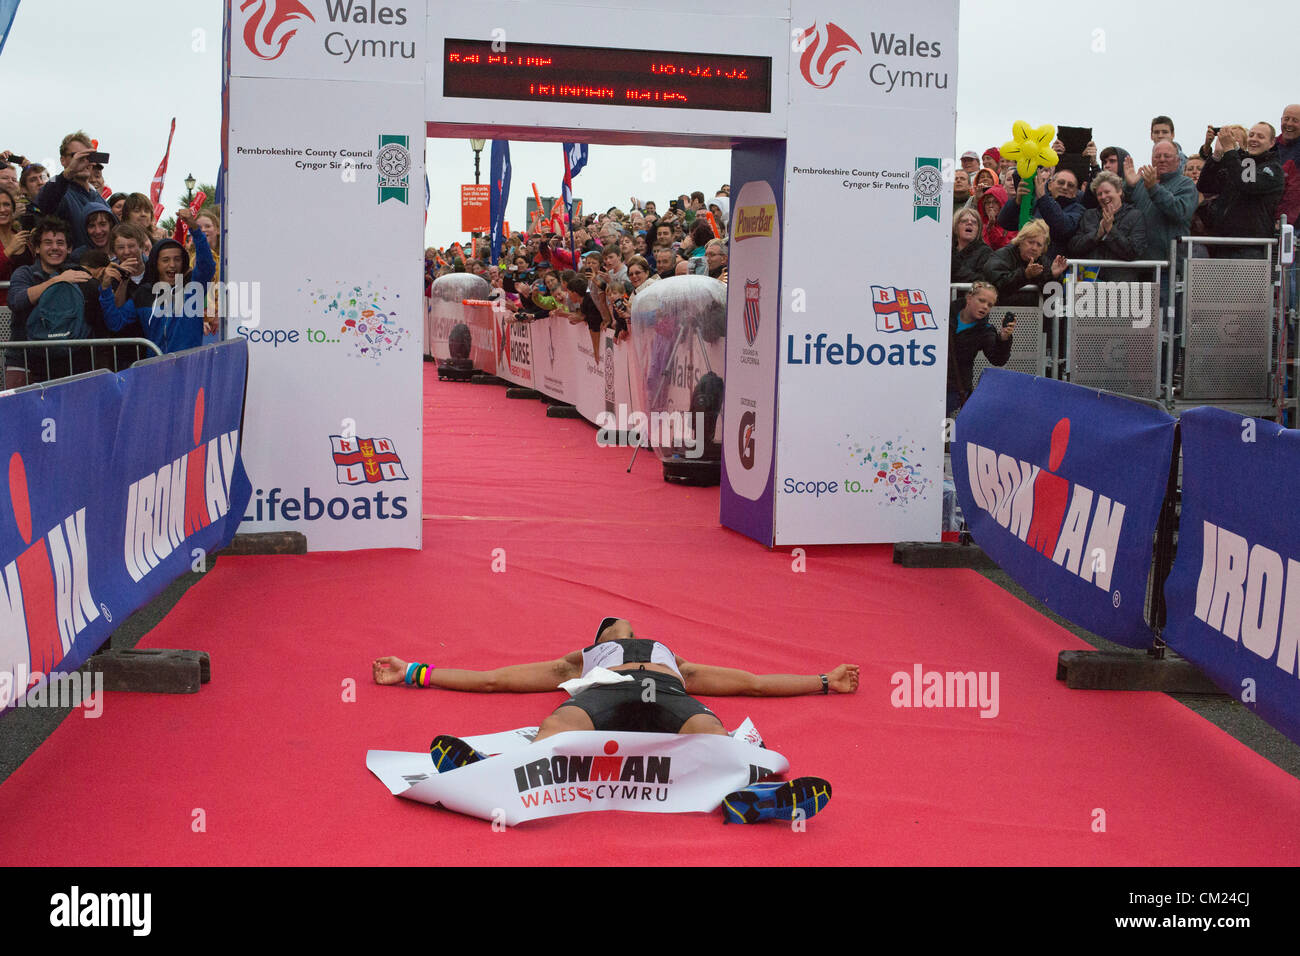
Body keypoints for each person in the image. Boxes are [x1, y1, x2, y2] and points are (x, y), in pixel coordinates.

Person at [372, 617, 857, 824]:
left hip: (667, 694)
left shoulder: (675, 660)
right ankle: (479, 773)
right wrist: (417, 671)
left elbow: (751, 682)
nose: (619, 622)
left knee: (714, 739)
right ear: (600, 636)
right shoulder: (583, 660)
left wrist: (822, 681)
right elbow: (499, 679)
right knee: (554, 737)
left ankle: (752, 802)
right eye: (609, 623)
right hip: (608, 692)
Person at [1196, 122, 1286, 258]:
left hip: (1251, 248)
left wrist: (1230, 151)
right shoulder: (1238, 165)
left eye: (1260, 136)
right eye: (1251, 135)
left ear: (1272, 142)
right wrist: (1217, 155)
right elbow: (1205, 186)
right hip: (1222, 244)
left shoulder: (1273, 169)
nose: (1254, 139)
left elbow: (1246, 184)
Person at [1122, 141, 1197, 263]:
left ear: (1178, 160)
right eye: (1157, 156)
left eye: (1167, 156)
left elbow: (1180, 212)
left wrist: (1153, 188)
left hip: (1168, 265)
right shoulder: (1140, 182)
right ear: (1151, 160)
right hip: (1138, 263)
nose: (1162, 160)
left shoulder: (1186, 184)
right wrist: (1129, 187)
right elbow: (1123, 212)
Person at [947, 281, 1011, 416]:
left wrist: (1004, 338)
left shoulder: (986, 331)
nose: (985, 307)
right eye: (981, 301)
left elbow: (997, 359)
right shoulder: (944, 315)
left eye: (990, 305)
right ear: (969, 298)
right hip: (930, 381)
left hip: (955, 389)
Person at [1068, 170, 1148, 279]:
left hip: (1121, 285)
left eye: (1107, 192)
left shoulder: (1135, 216)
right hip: (1089, 283)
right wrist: (1098, 234)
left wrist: (1110, 230)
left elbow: (1134, 252)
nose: (1103, 196)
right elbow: (1074, 247)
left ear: (1119, 191)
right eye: (1099, 194)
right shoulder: (1089, 215)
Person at [982, 218, 1068, 304]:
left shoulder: (1043, 261)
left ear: (1043, 249)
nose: (1034, 248)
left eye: (1039, 245)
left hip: (1034, 315)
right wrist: (1025, 275)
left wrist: (1053, 276)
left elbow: (1052, 297)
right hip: (1002, 312)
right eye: (1030, 242)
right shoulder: (1002, 256)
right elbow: (997, 284)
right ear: (1020, 241)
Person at [951, 207, 991, 283]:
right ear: (955, 227)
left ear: (978, 230)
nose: (969, 223)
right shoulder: (947, 250)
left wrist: (956, 268)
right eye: (964, 221)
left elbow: (982, 281)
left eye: (974, 222)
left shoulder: (985, 252)